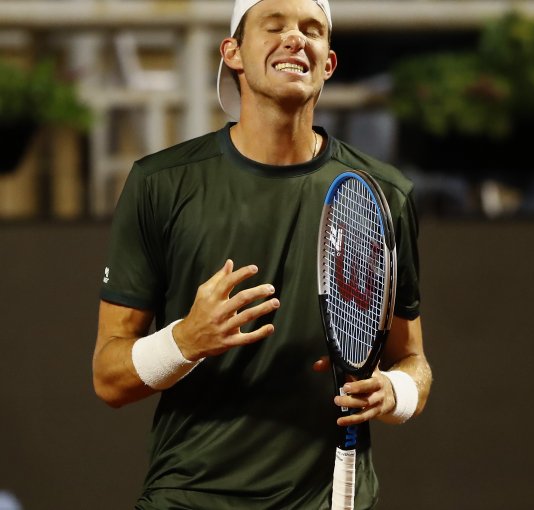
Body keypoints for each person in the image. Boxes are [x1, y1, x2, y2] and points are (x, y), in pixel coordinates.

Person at [91, 0, 432, 507]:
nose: (296, 39)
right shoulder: (159, 184)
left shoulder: (384, 194)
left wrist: (394, 393)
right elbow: (108, 377)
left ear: (329, 63)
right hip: (189, 497)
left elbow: (413, 361)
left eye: (312, 30)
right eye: (274, 26)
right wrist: (186, 339)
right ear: (233, 52)